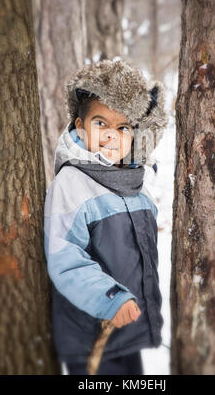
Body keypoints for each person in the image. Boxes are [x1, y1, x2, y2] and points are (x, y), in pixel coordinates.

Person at [44, 59, 168, 375]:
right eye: (101, 124)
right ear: (80, 125)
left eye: (123, 127)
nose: (112, 135)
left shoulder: (133, 185)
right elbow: (65, 259)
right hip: (91, 334)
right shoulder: (72, 182)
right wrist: (111, 299)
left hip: (126, 330)